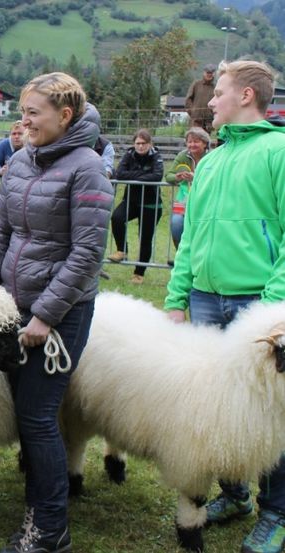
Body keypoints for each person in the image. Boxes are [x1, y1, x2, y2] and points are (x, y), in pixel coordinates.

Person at [0, 72, 112, 553]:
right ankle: (39, 506)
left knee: (37, 416)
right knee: (25, 413)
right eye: (23, 112)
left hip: (60, 314)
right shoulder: (19, 161)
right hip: (12, 307)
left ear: (65, 115)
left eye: (33, 113)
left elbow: (86, 253)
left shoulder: (88, 169)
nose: (24, 121)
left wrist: (46, 316)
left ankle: (51, 527)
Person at [165, 60, 285, 553]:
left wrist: (272, 309)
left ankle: (275, 513)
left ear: (246, 96)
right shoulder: (210, 162)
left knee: (272, 414)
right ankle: (234, 495)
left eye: (219, 93)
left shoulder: (279, 151)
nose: (209, 101)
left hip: (260, 307)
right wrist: (177, 297)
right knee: (217, 406)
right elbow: (190, 238)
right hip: (205, 301)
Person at [107, 129, 164, 284]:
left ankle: (139, 273)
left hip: (151, 204)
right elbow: (120, 173)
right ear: (134, 144)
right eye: (138, 143)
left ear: (150, 143)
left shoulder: (156, 156)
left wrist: (133, 176)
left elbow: (157, 176)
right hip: (131, 201)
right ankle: (122, 250)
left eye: (143, 143)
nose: (140, 146)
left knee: (145, 239)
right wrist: (142, 176)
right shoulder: (129, 154)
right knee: (117, 218)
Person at [164, 126, 210, 249]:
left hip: (205, 200)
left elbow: (216, 178)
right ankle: (180, 253)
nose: (192, 145)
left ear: (205, 143)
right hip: (184, 200)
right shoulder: (182, 155)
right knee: (176, 224)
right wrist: (178, 177)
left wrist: (196, 178)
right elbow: (168, 176)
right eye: (189, 142)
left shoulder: (212, 157)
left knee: (201, 231)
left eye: (196, 141)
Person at [185, 64, 217, 133]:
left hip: (208, 122)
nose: (209, 74)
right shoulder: (196, 84)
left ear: (214, 74)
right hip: (195, 121)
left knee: (205, 138)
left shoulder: (215, 88)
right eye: (207, 72)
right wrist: (193, 112)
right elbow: (188, 99)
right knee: (194, 137)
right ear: (204, 73)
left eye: (211, 73)